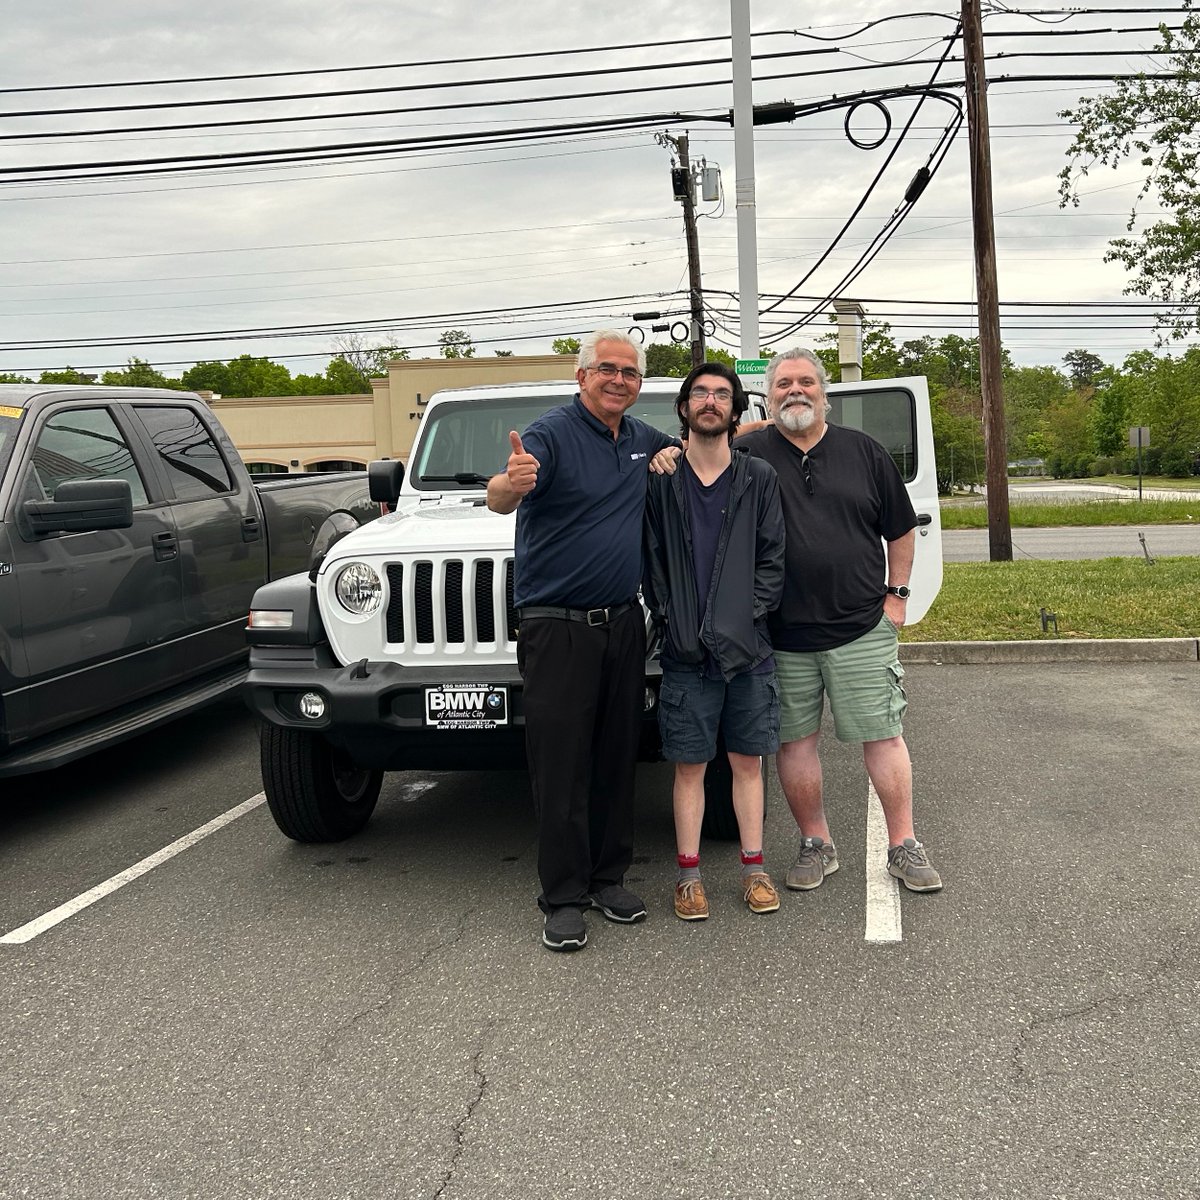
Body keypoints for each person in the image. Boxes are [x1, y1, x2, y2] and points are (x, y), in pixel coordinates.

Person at [486, 329, 678, 951]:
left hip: (623, 622)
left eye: (629, 372)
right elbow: (499, 496)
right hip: (556, 626)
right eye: (606, 370)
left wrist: (702, 445)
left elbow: (703, 443)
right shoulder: (550, 433)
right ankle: (563, 895)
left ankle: (608, 877)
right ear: (582, 376)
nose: (618, 379)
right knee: (562, 763)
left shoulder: (641, 438)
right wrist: (511, 483)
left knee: (615, 756)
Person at [736, 348, 942, 893]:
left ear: (825, 393)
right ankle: (815, 841)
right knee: (795, 743)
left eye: (806, 382)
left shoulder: (864, 452)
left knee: (884, 736)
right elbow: (697, 452)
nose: (794, 391)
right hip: (780, 634)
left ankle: (904, 843)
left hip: (860, 626)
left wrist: (896, 597)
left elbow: (900, 528)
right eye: (783, 384)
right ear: (769, 395)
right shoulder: (748, 453)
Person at [642, 363, 786, 921]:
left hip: (749, 653)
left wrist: (742, 621)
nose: (710, 401)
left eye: (722, 394)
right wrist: (676, 619)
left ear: (735, 410)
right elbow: (650, 561)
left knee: (747, 763)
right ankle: (688, 877)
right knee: (689, 767)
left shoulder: (758, 479)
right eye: (700, 393)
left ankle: (754, 869)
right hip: (684, 654)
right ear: (683, 408)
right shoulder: (661, 478)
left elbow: (773, 561)